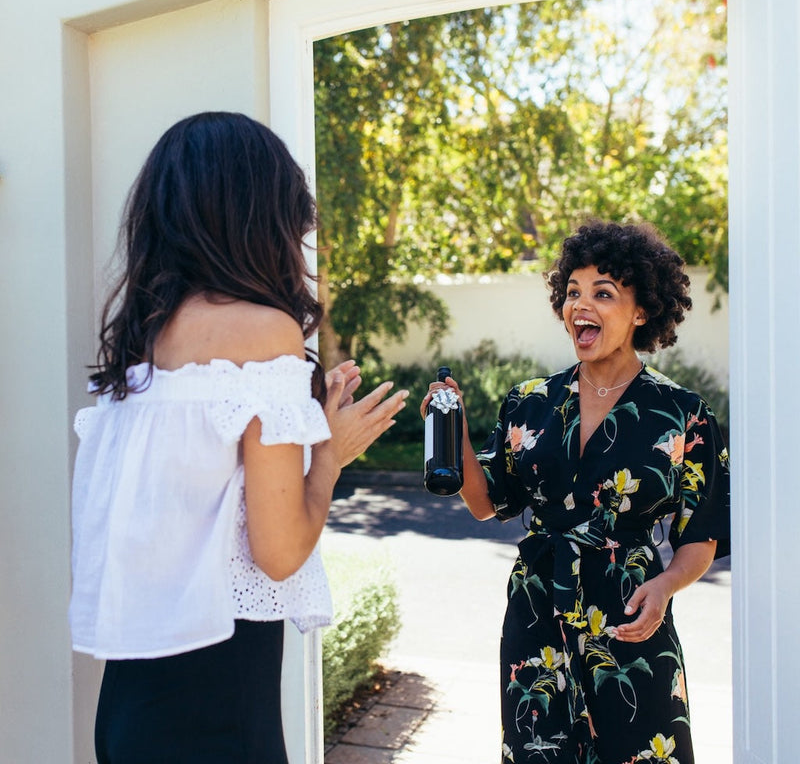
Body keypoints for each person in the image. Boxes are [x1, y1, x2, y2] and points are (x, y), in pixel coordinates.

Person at [69, 111, 408, 764]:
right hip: (215, 714)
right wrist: (329, 456)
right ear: (258, 217)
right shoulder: (264, 333)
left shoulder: (139, 347)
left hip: (127, 709)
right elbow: (278, 554)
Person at [421, 220, 730, 764]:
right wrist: (456, 428)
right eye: (572, 293)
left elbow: (699, 537)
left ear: (642, 312)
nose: (580, 305)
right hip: (538, 611)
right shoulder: (530, 401)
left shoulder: (684, 415)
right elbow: (484, 502)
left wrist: (663, 588)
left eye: (603, 293)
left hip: (632, 616)